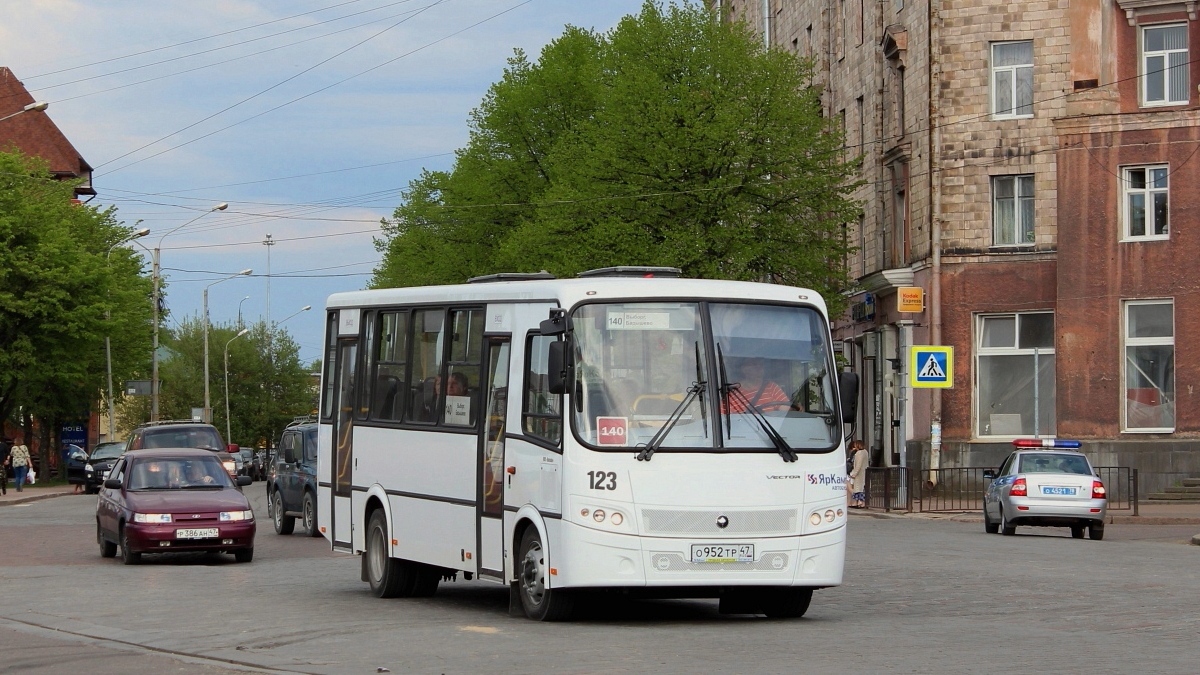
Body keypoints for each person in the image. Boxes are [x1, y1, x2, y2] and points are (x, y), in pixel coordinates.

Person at [725, 357, 790, 413]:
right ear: (744, 369)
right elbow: (722, 418)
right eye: (754, 365)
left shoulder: (771, 387)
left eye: (761, 365)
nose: (759, 368)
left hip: (770, 427)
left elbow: (785, 411)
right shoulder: (733, 394)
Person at [847, 440, 868, 508]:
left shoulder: (859, 453)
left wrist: (854, 474)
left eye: (856, 444)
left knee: (858, 488)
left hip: (859, 473)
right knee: (861, 488)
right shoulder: (865, 452)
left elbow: (858, 465)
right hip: (863, 471)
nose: (855, 446)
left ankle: (860, 503)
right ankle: (860, 503)